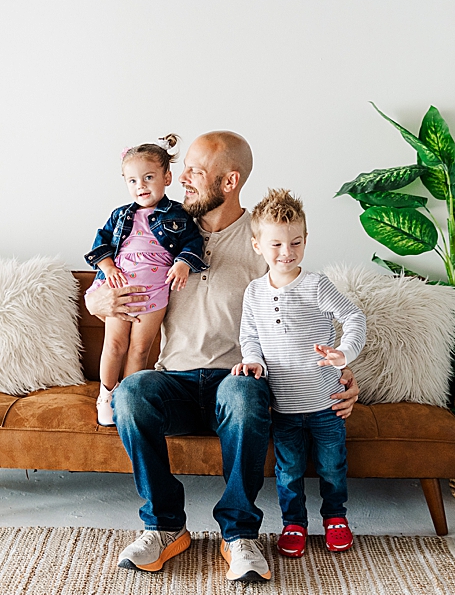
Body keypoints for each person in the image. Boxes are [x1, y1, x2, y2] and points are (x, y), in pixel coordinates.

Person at [84, 131, 359, 583]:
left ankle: (239, 536)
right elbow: (111, 277)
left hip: (236, 381)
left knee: (246, 393)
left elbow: (313, 315)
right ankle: (164, 526)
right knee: (132, 393)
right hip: (172, 381)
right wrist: (99, 303)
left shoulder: (265, 241)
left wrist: (344, 373)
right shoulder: (160, 230)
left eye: (194, 171)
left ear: (229, 181)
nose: (183, 179)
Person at [232, 188, 366, 559]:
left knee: (332, 467)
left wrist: (343, 354)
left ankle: (336, 517)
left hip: (326, 406)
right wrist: (253, 360)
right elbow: (250, 336)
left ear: (306, 240)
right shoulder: (254, 292)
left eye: (295, 242)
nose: (286, 252)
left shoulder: (316, 285)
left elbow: (354, 317)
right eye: (276, 244)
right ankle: (294, 523)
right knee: (288, 472)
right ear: (258, 245)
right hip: (284, 410)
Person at [83, 135, 207, 426]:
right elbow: (100, 242)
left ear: (167, 177)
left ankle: (128, 398)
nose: (141, 187)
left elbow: (192, 243)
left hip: (155, 292)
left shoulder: (178, 215)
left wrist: (182, 264)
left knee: (140, 348)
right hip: (121, 286)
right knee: (114, 344)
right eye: (133, 181)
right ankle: (106, 393)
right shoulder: (121, 215)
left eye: (149, 178)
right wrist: (108, 267)